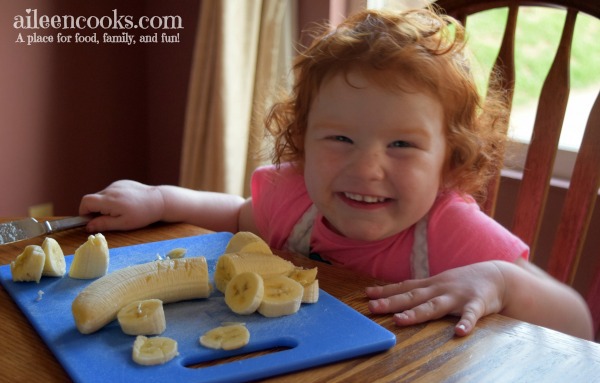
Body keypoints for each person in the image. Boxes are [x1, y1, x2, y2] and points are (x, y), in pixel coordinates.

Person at [79, 7, 593, 340]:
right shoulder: (296, 198)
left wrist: (501, 281)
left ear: (450, 161)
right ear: (302, 141)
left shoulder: (450, 232)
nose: (366, 167)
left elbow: (577, 323)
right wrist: (162, 200)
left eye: (402, 145)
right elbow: (238, 215)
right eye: (340, 138)